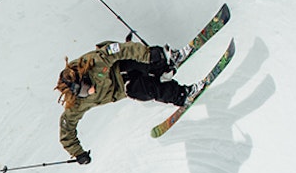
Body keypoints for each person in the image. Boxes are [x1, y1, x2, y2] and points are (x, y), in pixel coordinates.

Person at [55, 40, 197, 164]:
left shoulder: (94, 63)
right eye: (84, 92)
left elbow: (121, 50)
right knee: (142, 89)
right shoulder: (77, 104)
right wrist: (78, 153)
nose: (90, 90)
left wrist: (149, 55)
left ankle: (167, 62)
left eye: (87, 86)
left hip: (121, 66)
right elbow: (66, 129)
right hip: (122, 86)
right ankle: (183, 95)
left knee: (145, 62)